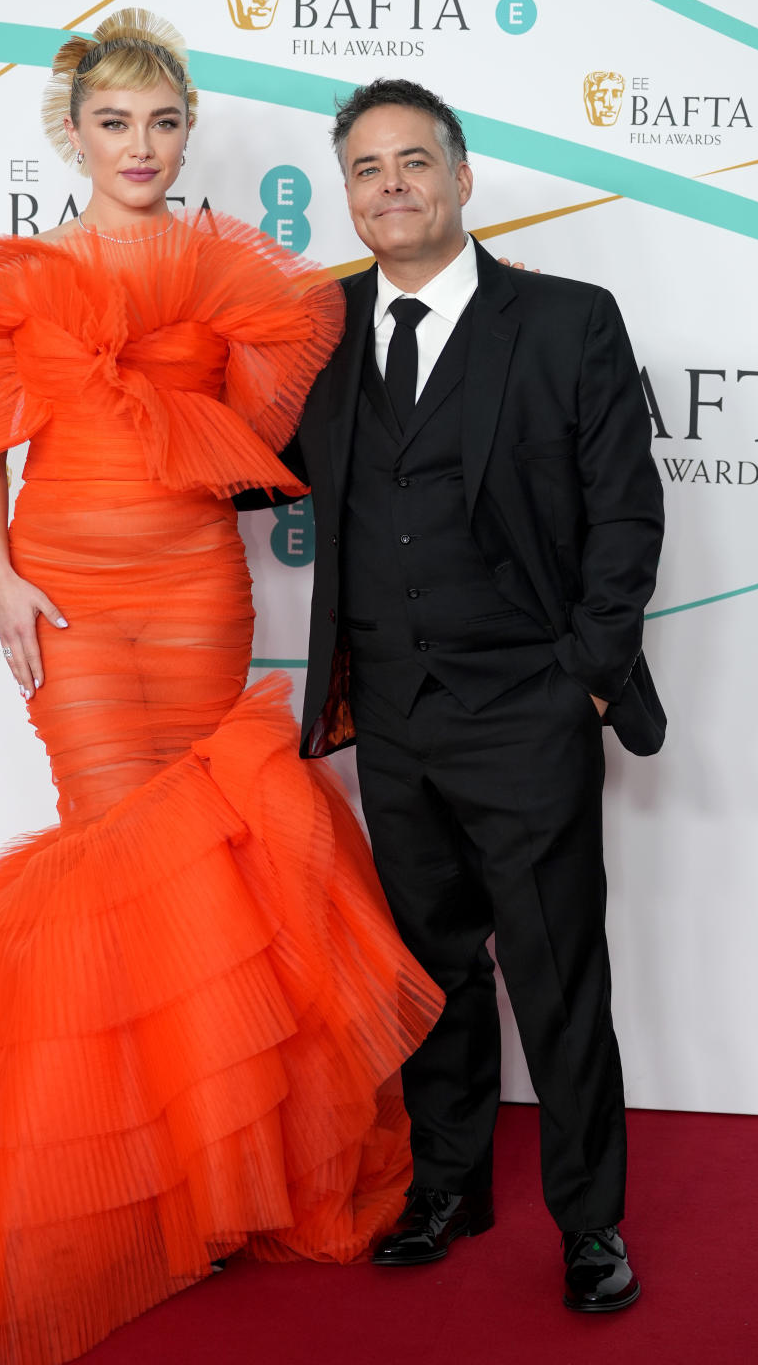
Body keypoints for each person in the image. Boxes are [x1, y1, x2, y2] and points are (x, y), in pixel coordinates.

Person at [0, 17, 443, 1364]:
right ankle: (105, 1175)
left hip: (195, 599)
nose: (140, 147)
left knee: (193, 873)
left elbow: (260, 427)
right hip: (68, 605)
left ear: (187, 134)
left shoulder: (235, 275)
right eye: (115, 124)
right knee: (103, 867)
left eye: (163, 124)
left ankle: (201, 1179)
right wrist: (1, 584)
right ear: (72, 132)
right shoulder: (20, 275)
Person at [275, 78, 665, 1311]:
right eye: (365, 170)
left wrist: (583, 681)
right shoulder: (318, 330)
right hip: (387, 710)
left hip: (527, 706)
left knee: (558, 973)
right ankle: (447, 1183)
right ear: (348, 195)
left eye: (412, 163)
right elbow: (239, 464)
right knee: (430, 965)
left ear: (460, 176)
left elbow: (627, 515)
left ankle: (591, 1223)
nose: (390, 186)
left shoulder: (564, 322)